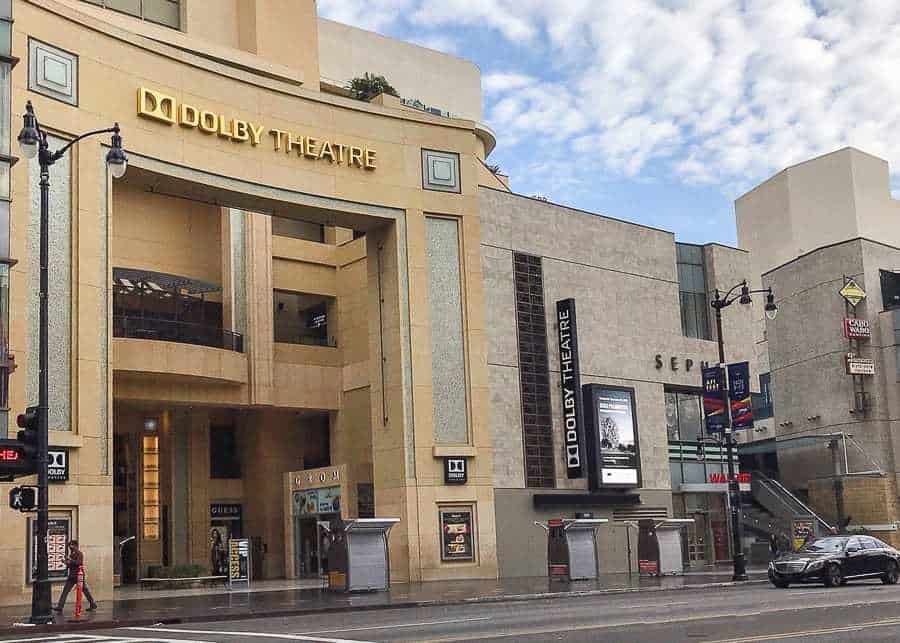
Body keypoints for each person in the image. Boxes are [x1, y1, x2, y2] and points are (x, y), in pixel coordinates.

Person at [53, 540, 97, 613]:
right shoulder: (71, 554)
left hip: (78, 575)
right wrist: (65, 562)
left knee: (85, 590)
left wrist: (70, 560)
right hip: (72, 576)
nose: (70, 547)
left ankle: (92, 603)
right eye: (70, 545)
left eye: (71, 545)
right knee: (65, 591)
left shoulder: (79, 554)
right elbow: (71, 565)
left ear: (75, 546)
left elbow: (79, 563)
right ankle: (60, 606)